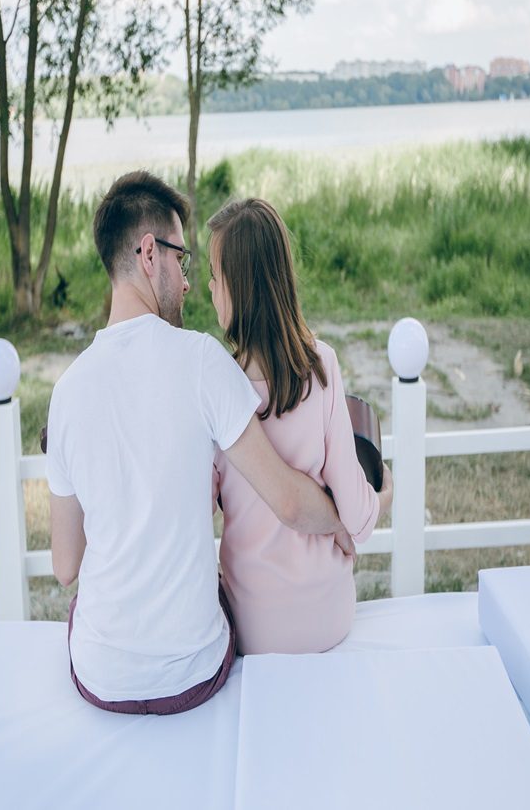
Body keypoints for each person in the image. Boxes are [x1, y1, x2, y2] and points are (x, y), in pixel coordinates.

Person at [46, 171, 352, 716]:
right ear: (148, 253)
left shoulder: (66, 394)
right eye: (182, 261)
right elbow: (284, 498)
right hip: (194, 675)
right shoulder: (204, 361)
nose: (189, 283)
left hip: (101, 678)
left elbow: (66, 566)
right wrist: (341, 521)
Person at [208, 198, 393, 655]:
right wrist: (386, 493)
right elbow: (356, 515)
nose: (209, 289)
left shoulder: (216, 387)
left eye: (214, 277)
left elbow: (197, 512)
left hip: (253, 627)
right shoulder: (322, 366)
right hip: (329, 615)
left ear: (237, 290)